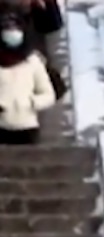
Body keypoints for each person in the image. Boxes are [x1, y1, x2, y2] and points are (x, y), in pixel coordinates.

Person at [0, 9, 56, 145]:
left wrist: (32, 102)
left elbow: (49, 94)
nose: (12, 33)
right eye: (7, 29)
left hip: (27, 127)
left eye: (15, 28)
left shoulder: (33, 61)